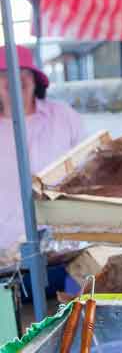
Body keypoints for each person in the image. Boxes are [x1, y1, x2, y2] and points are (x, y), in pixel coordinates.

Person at [0, 45, 85, 265]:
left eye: (23, 72)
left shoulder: (63, 116)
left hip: (65, 246)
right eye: (4, 74)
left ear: (35, 80)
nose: (15, 79)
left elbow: (90, 169)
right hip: (6, 251)